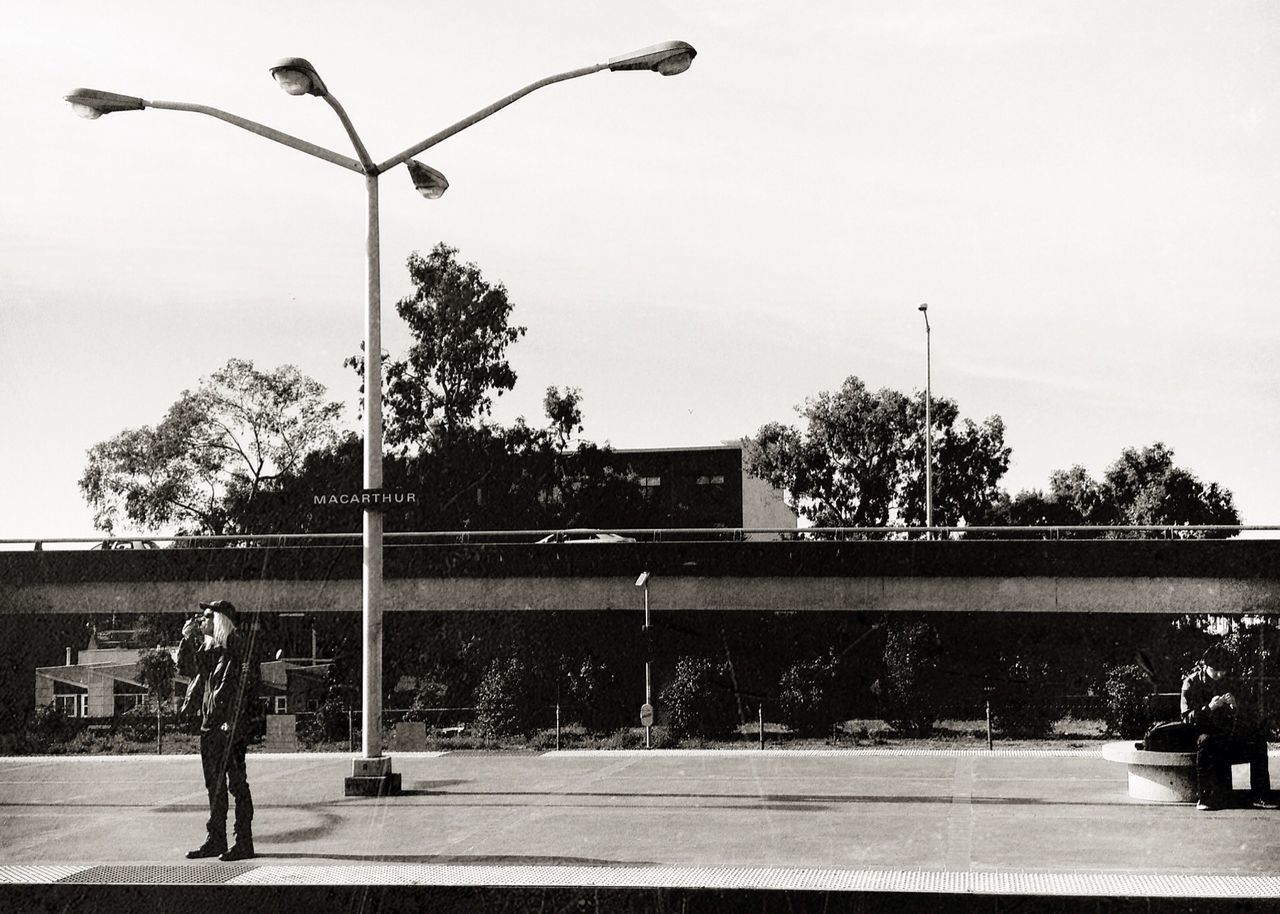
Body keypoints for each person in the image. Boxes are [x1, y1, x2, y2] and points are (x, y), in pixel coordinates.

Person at [178, 599, 259, 860]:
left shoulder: (237, 646)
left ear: (222, 620)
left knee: (237, 785)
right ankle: (216, 840)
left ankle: (243, 843)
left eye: (208, 616)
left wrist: (232, 722)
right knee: (214, 788)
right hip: (210, 727)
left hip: (229, 728)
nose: (203, 620)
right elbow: (187, 668)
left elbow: (244, 689)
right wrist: (188, 638)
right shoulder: (214, 650)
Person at [1180, 643, 1276, 811]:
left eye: (1223, 670)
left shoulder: (1230, 681)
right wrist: (1209, 708)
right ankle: (1205, 797)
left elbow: (1248, 714)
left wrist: (1236, 706)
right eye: (1215, 670)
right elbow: (1186, 718)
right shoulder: (1191, 682)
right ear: (1205, 666)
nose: (1219, 674)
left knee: (1257, 741)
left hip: (1228, 733)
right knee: (1207, 741)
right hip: (1203, 734)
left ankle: (1261, 794)